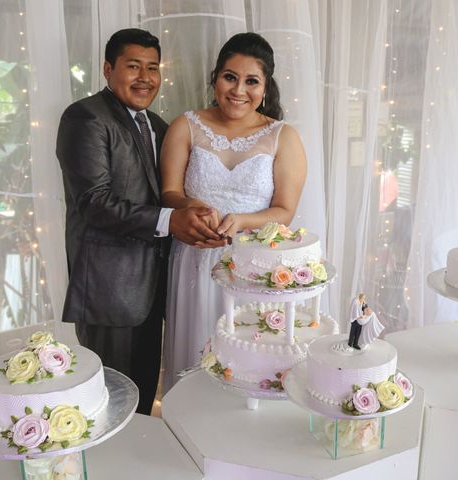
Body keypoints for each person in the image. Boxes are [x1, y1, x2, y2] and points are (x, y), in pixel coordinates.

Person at [56, 29, 219, 415]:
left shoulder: (160, 126)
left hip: (154, 290)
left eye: (153, 68)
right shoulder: (85, 117)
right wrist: (171, 220)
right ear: (109, 69)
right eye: (133, 66)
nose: (145, 77)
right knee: (109, 404)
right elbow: (93, 203)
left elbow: (168, 191)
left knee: (144, 398)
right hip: (110, 291)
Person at [161, 32, 308, 391]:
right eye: (230, 77)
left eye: (251, 81)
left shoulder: (282, 136)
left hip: (252, 263)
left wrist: (242, 221)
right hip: (194, 256)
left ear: (265, 87)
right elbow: (169, 193)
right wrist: (190, 207)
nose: (238, 89)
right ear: (215, 78)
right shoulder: (186, 126)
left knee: (247, 363)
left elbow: (285, 211)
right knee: (194, 358)